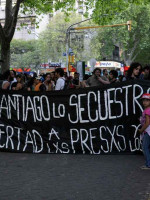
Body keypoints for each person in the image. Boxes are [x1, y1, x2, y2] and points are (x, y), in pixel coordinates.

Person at [138, 93, 150, 169]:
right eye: (143, 100)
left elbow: (148, 123)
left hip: (148, 131)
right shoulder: (146, 110)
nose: (145, 102)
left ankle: (148, 164)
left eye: (147, 100)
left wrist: (141, 130)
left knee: (145, 148)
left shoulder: (147, 110)